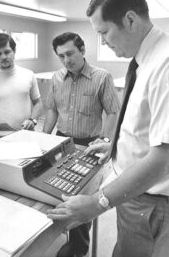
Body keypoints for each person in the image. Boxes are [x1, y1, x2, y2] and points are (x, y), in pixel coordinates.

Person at [47, 0, 169, 257]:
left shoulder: (165, 64)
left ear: (129, 19)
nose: (102, 42)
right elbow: (142, 123)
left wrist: (98, 202)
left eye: (103, 32)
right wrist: (114, 144)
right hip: (133, 194)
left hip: (151, 201)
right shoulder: (145, 61)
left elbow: (164, 158)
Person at [43, 32, 120, 257]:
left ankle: (79, 247)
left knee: (83, 198)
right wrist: (44, 136)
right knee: (54, 189)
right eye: (61, 56)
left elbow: (113, 111)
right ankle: (58, 233)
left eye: (70, 53)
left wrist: (104, 140)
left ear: (83, 50)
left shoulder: (102, 77)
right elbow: (52, 109)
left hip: (89, 144)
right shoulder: (56, 78)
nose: (67, 60)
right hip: (60, 141)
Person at [0, 33, 43, 136]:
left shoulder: (29, 75)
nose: (3, 57)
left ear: (14, 51)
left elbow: (38, 103)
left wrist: (32, 120)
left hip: (26, 134)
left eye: (7, 52)